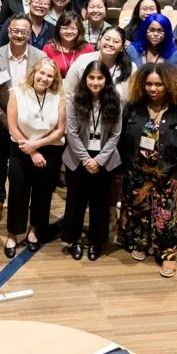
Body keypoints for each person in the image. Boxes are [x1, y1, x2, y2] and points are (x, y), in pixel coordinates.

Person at [119, 63, 177, 278]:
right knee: (137, 211)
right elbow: (122, 137)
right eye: (149, 84)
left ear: (169, 84)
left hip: (167, 173)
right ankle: (141, 243)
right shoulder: (134, 106)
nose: (153, 89)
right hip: (137, 171)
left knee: (165, 216)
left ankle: (167, 254)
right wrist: (124, 167)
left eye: (159, 85)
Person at [0, 14, 47, 227]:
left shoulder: (40, 57)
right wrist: (7, 121)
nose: (19, 35)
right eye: (15, 31)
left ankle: (23, 200)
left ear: (30, 34)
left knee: (24, 163)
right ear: (8, 31)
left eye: (24, 32)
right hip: (2, 119)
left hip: (31, 123)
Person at [3, 58, 66, 257]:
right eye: (42, 73)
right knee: (18, 192)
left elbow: (60, 130)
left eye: (50, 76)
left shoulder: (59, 97)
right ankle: (13, 234)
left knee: (43, 193)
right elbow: (12, 126)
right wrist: (31, 150)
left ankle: (34, 231)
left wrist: (37, 145)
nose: (45, 78)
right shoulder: (16, 93)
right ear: (34, 73)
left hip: (49, 150)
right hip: (21, 148)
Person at [62, 60, 122, 261]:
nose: (95, 82)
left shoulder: (114, 100)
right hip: (78, 157)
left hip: (104, 158)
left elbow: (115, 134)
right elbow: (71, 132)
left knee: (100, 204)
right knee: (75, 202)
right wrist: (87, 159)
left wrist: (99, 160)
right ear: (85, 79)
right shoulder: (74, 99)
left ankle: (96, 241)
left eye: (100, 78)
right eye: (91, 77)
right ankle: (75, 240)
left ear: (106, 80)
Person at [64, 26, 136, 102]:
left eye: (116, 41)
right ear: (99, 42)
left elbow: (133, 99)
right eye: (107, 39)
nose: (110, 44)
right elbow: (66, 94)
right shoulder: (82, 60)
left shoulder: (131, 68)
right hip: (83, 108)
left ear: (122, 47)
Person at [43, 11, 93, 78]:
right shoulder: (49, 48)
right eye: (65, 28)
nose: (69, 31)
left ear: (79, 30)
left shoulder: (88, 48)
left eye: (73, 28)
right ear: (58, 29)